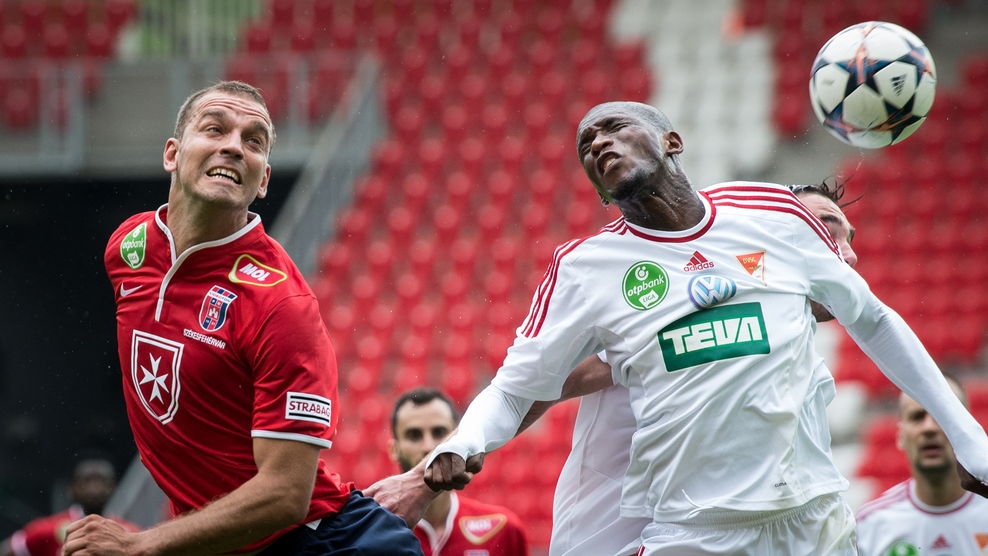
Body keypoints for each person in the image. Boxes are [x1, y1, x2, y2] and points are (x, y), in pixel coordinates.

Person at [423, 101, 988, 555]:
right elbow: (514, 389)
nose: (597, 143)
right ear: (598, 190)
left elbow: (873, 319)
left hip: (814, 521)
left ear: (672, 141)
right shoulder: (584, 268)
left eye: (614, 127)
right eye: (586, 146)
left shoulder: (774, 214)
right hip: (694, 532)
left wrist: (967, 436)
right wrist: (465, 441)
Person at [68, 81, 422, 556]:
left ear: (264, 180)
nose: (234, 146)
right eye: (215, 129)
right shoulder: (129, 246)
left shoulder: (281, 305)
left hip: (326, 543)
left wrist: (140, 545)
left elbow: (286, 495)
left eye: (253, 141)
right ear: (172, 154)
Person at [543, 179, 861, 556]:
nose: (848, 255)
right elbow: (547, 381)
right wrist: (483, 436)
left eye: (849, 239)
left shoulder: (785, 331)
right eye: (825, 231)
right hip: (634, 537)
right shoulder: (687, 312)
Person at [856, 375, 988, 556]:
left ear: (966, 430)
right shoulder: (869, 527)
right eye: (917, 417)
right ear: (900, 435)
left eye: (942, 417)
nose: (929, 428)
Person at [388, 388, 529, 556]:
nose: (428, 446)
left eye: (439, 433)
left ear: (458, 438)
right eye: (414, 435)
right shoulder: (374, 534)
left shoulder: (504, 530)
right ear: (394, 450)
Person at [0, 459, 137, 556]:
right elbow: (8, 550)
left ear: (113, 488)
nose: (95, 488)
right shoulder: (48, 530)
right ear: (72, 488)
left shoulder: (129, 533)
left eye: (101, 481)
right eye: (87, 481)